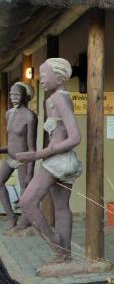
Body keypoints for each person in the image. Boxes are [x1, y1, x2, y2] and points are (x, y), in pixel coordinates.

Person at [15, 58, 83, 267]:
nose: (41, 80)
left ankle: (57, 245)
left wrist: (37, 155)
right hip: (58, 160)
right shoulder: (54, 98)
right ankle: (64, 256)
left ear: (59, 77)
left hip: (56, 161)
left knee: (27, 202)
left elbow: (74, 137)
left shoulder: (60, 99)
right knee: (62, 207)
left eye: (44, 76)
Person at [0, 82, 37, 231]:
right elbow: (12, 143)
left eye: (17, 94)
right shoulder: (9, 113)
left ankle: (25, 220)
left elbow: (32, 148)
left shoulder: (30, 117)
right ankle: (11, 215)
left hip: (24, 159)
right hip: (10, 157)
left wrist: (29, 172)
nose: (13, 97)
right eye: (11, 94)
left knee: (24, 189)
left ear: (25, 97)